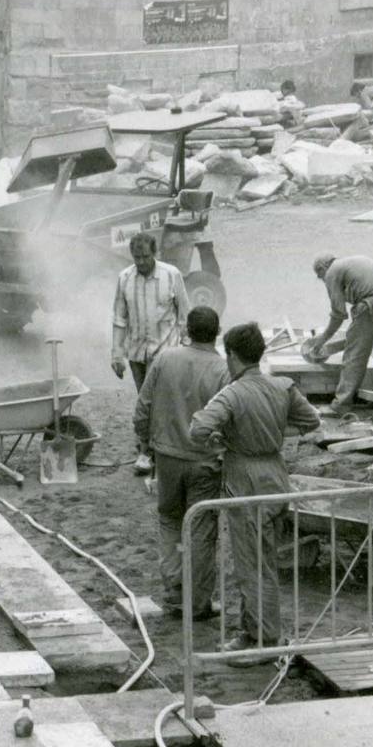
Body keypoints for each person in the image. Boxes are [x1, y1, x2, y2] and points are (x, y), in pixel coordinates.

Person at [190, 322, 320, 655]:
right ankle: (256, 631)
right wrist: (273, 433)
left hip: (246, 480)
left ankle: (263, 638)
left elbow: (198, 429)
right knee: (266, 562)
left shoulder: (232, 393)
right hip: (276, 474)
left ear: (232, 355)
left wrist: (227, 438)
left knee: (251, 566)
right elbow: (311, 422)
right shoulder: (282, 386)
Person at [134, 306, 229, 620]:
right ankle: (199, 602)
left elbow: (143, 407)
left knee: (171, 522)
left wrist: (146, 445)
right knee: (201, 530)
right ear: (217, 333)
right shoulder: (223, 369)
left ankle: (174, 594)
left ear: (187, 330)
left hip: (168, 457)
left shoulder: (164, 359)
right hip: (204, 461)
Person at [112, 231, 189, 474]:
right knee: (145, 403)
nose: (141, 262)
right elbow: (119, 319)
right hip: (137, 355)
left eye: (145, 256)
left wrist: (185, 348)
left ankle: (156, 450)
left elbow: (184, 316)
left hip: (166, 353)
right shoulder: (124, 278)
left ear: (154, 253)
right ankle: (149, 449)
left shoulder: (171, 275)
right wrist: (116, 354)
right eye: (137, 257)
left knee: (164, 402)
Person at [307, 253, 373, 424]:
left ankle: (340, 405)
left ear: (322, 269)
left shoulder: (332, 272)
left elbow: (338, 314)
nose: (324, 281)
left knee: (354, 357)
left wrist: (321, 340)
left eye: (320, 278)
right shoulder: (354, 261)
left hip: (371, 306)